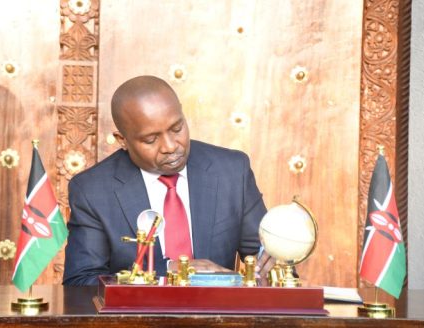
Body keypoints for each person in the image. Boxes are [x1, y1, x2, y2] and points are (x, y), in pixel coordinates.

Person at [63, 75, 274, 286]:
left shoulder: (232, 171)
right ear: (123, 141)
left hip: (218, 316)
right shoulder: (93, 190)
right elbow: (80, 283)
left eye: (177, 128)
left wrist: (270, 269)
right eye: (151, 139)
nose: (171, 146)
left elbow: (267, 259)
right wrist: (169, 271)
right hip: (136, 318)